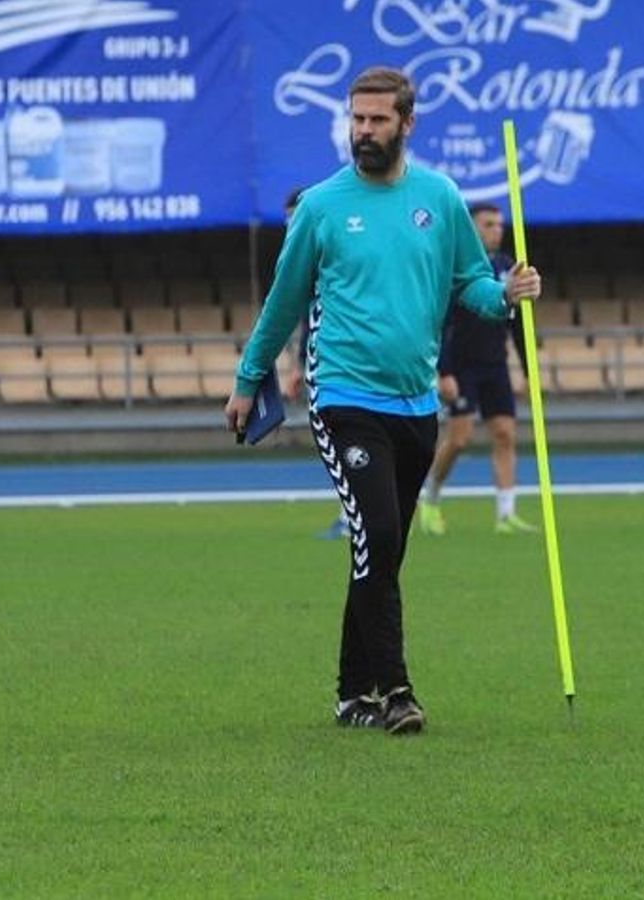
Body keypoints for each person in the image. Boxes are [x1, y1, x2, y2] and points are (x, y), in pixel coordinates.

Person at [224, 66, 542, 736]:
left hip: (415, 404)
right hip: (342, 394)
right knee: (382, 533)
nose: (362, 132)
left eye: (376, 121)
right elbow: (284, 302)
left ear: (407, 123)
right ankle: (395, 692)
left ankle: (349, 695)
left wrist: (507, 294)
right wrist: (249, 377)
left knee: (379, 550)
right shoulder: (320, 206)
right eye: (356, 120)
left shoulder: (440, 198)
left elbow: (470, 289)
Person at [417, 202, 538, 536]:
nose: (496, 230)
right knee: (459, 439)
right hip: (461, 367)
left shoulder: (507, 267)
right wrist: (444, 371)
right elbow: (441, 322)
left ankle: (506, 514)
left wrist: (529, 370)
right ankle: (431, 497)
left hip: (495, 365)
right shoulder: (455, 266)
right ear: (471, 228)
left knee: (505, 434)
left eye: (499, 224)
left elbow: (519, 326)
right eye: (488, 224)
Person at [277, 186, 349, 542]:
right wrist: (298, 365)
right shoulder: (303, 258)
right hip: (326, 361)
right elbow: (304, 318)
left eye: (296, 217)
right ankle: (352, 514)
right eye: (288, 219)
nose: (292, 225)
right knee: (343, 442)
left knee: (349, 440)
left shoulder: (332, 250)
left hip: (350, 361)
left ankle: (354, 515)